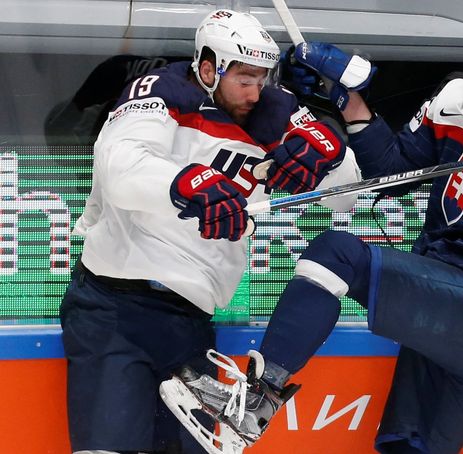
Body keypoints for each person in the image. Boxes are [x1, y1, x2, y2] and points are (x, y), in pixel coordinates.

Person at [160, 11, 463, 454]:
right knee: (410, 448)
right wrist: (349, 102)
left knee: (335, 254)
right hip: (448, 307)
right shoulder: (455, 100)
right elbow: (393, 168)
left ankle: (255, 405)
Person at [59, 8, 361, 454]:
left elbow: (346, 196)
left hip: (191, 321)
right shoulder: (161, 91)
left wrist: (330, 154)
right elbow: (119, 166)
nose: (255, 92)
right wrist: (187, 183)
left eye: (263, 78)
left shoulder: (273, 108)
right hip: (113, 305)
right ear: (207, 68)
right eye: (244, 78)